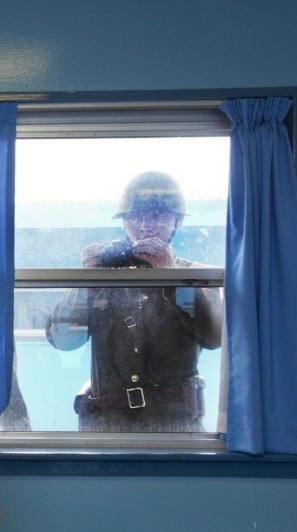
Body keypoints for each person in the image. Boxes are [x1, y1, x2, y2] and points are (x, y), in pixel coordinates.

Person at [45, 171, 223, 432]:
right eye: (136, 215)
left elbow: (216, 336)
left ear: (176, 222)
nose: (145, 225)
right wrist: (87, 283)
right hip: (107, 426)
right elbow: (61, 340)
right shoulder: (102, 278)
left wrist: (172, 276)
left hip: (175, 426)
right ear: (124, 222)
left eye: (157, 216)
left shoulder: (192, 275)